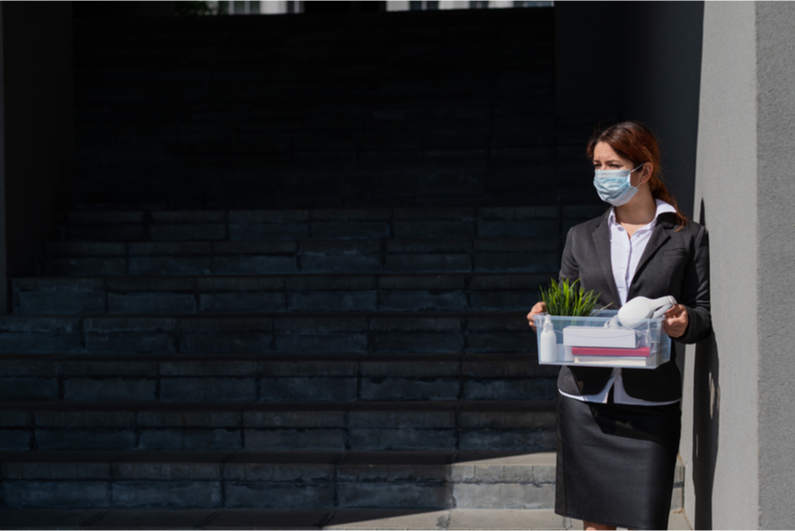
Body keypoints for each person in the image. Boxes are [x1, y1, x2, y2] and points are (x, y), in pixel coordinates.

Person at [527, 121, 711, 530]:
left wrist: (684, 324)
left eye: (613, 164)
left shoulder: (687, 237)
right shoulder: (581, 237)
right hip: (584, 400)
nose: (602, 174)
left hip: (651, 404)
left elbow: (701, 313)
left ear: (643, 171)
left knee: (646, 521)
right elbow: (565, 305)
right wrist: (544, 316)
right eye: (597, 165)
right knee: (595, 525)